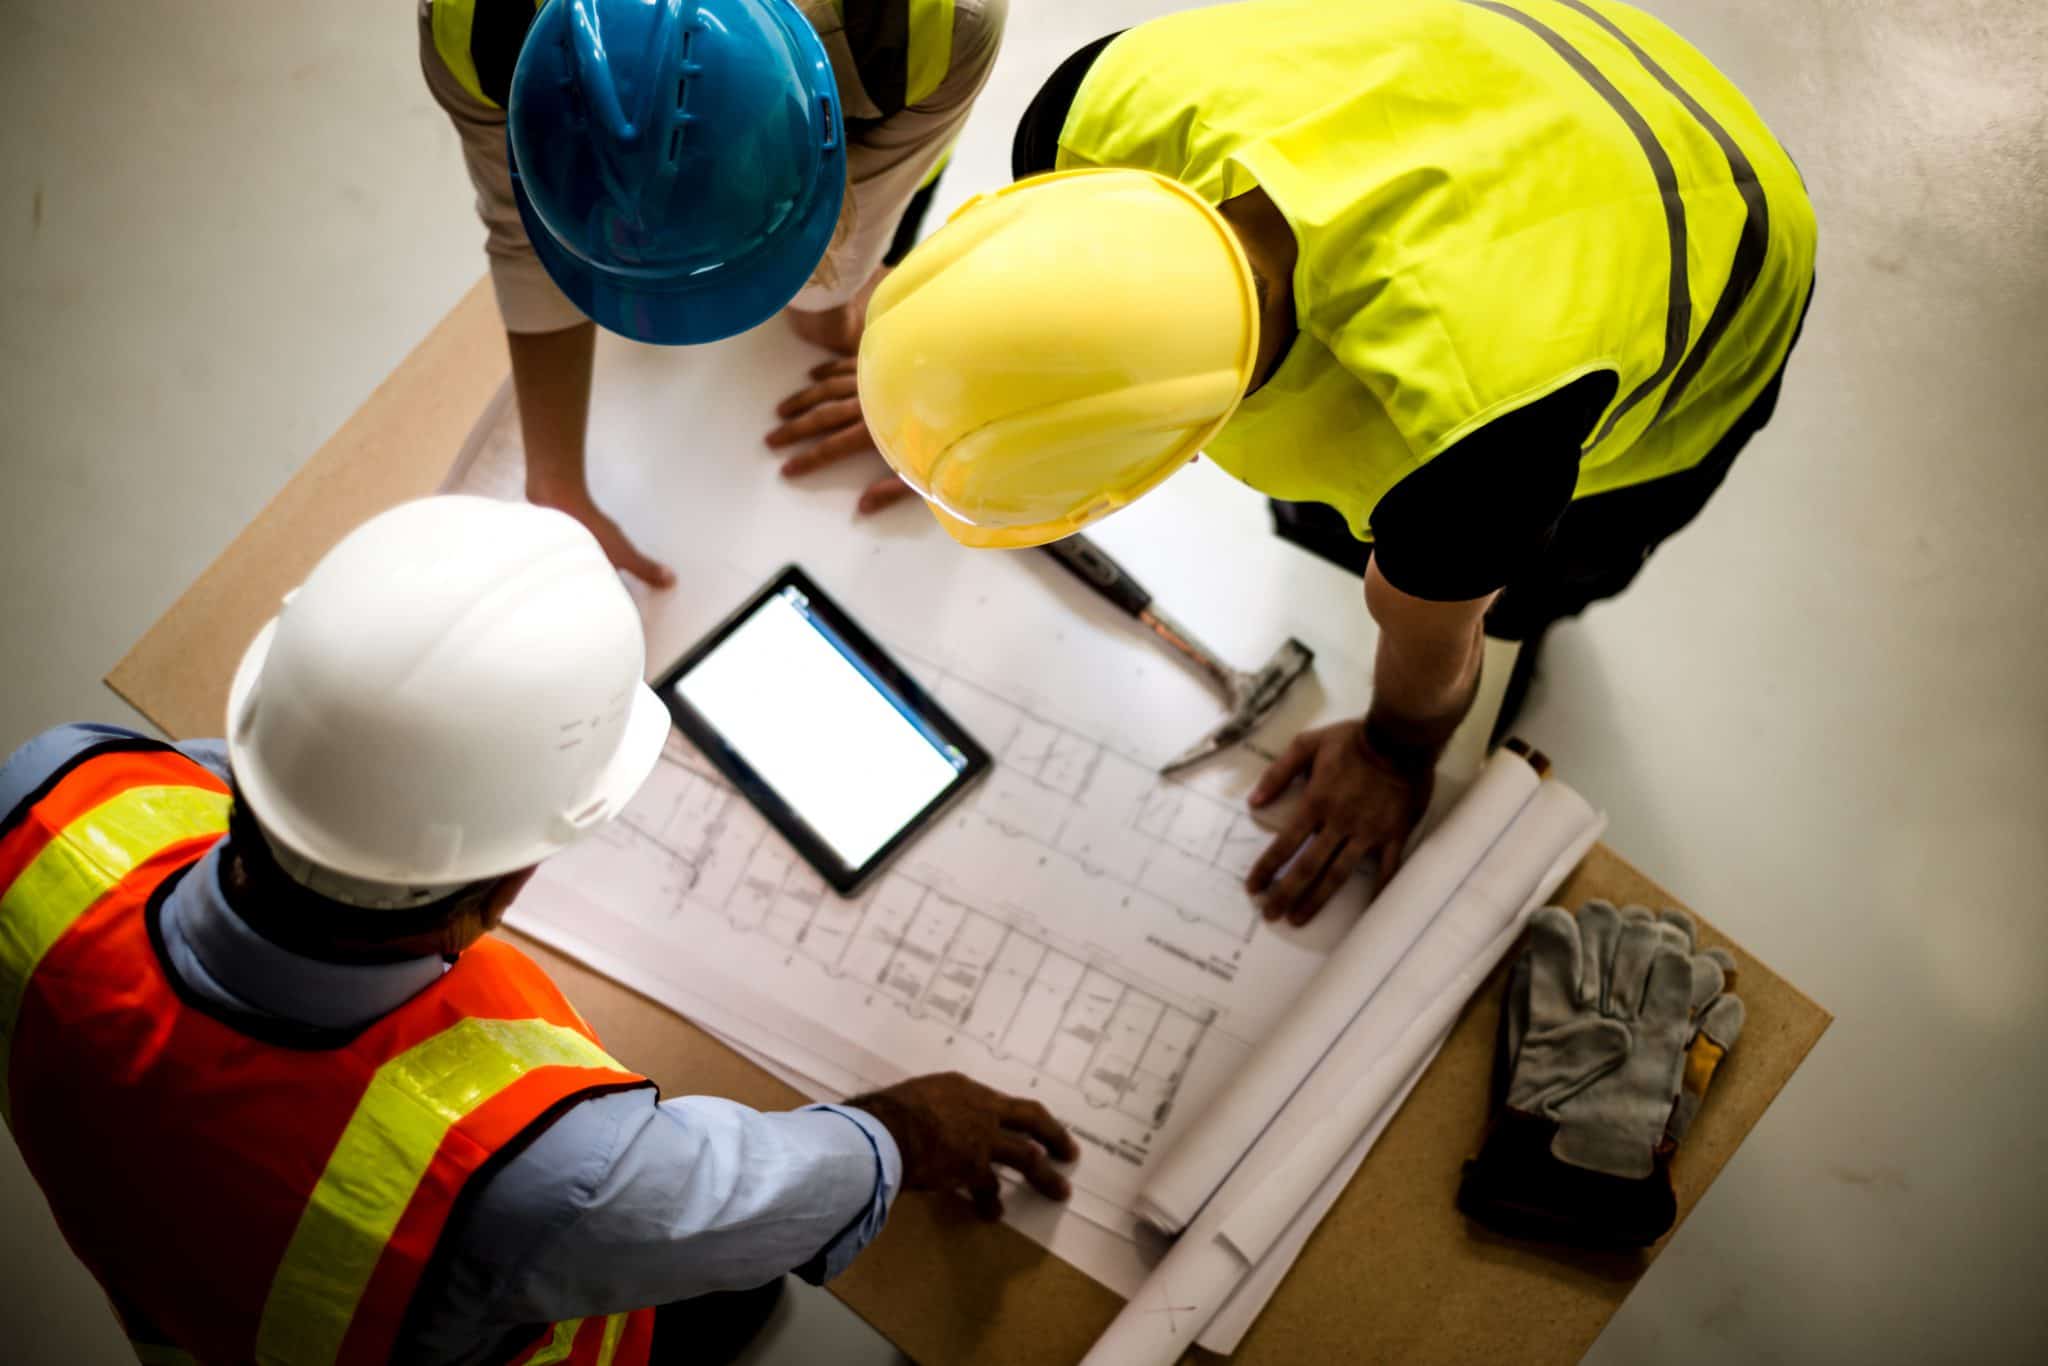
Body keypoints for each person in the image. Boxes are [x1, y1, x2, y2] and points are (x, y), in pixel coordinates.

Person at [787, 0, 1817, 926]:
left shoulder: (1467, 446)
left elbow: (1431, 645)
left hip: (1711, 213)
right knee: (1362, 522)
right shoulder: (1083, 113)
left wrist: (1393, 750)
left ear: (1173, 452)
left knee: (1525, 582)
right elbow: (1048, 300)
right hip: (1532, 60)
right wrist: (947, 393)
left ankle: (1530, 615)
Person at [0, 496, 1074, 1366]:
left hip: (176, 1281)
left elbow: (278, 779)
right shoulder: (527, 1170)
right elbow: (744, 1192)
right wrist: (904, 1130)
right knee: (718, 1303)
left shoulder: (52, 790)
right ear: (498, 889)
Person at [421, 0, 1008, 585]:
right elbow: (522, 232)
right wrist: (555, 484)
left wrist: (868, 342)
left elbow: (829, 275)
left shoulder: (933, 26)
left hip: (892, 104)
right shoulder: (468, 27)